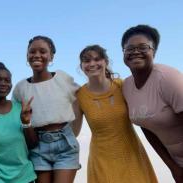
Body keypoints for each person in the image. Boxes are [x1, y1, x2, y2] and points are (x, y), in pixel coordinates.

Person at [75, 45, 158, 183]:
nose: (92, 64)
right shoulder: (79, 96)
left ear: (106, 62)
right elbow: (74, 132)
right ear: (82, 66)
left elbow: (145, 114)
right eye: (87, 61)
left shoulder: (122, 85)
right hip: (101, 160)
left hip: (131, 155)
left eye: (97, 59)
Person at [12, 36, 81, 183]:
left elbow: (81, 97)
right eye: (32, 52)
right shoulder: (20, 88)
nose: (37, 55)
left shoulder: (62, 78)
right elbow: (16, 119)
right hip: (37, 146)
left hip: (65, 145)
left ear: (51, 56)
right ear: (27, 56)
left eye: (43, 51)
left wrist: (75, 129)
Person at [121, 24, 183, 182]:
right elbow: (147, 126)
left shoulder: (168, 78)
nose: (135, 52)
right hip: (177, 160)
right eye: (129, 48)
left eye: (143, 47)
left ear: (153, 51)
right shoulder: (126, 86)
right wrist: (173, 167)